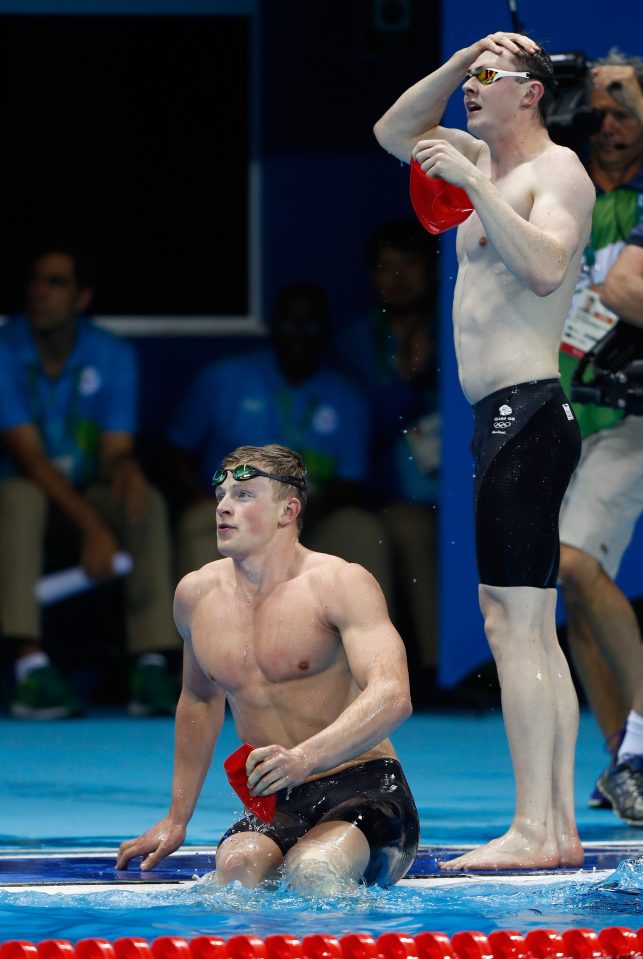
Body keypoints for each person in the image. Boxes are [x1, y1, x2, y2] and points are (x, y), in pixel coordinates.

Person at [374, 31, 595, 869]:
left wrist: (471, 182)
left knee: (515, 625)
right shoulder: (478, 156)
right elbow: (394, 134)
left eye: (488, 78)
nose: (471, 89)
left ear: (532, 92)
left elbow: (544, 267)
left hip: (529, 410)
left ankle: (534, 829)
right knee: (527, 628)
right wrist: (465, 52)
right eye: (470, 78)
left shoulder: (556, 171)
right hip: (501, 417)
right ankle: (556, 828)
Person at [116, 444, 418, 894]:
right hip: (278, 800)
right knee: (236, 871)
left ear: (287, 510)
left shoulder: (339, 583)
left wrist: (305, 758)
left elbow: (393, 695)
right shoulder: (195, 596)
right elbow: (199, 700)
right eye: (221, 494)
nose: (223, 506)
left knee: (313, 870)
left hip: (366, 789)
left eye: (243, 495)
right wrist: (177, 818)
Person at [0, 246, 180, 719]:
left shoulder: (112, 355)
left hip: (83, 496)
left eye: (55, 282)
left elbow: (114, 450)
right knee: (20, 498)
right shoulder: (4, 349)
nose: (39, 291)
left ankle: (150, 663)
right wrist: (92, 529)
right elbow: (31, 460)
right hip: (22, 504)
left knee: (146, 499)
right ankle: (29, 668)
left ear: (82, 298)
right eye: (35, 279)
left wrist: (125, 468)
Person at [167, 282, 394, 605]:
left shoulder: (348, 396)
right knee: (198, 521)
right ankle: (209, 647)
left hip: (309, 519)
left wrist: (289, 519)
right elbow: (176, 450)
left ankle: (367, 648)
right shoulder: (223, 378)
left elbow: (350, 484)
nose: (299, 334)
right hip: (233, 510)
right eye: (289, 323)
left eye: (310, 324)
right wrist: (201, 497)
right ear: (272, 328)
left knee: (362, 528)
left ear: (326, 331)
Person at [557, 54, 643, 826]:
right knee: (574, 593)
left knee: (575, 563)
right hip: (564, 408)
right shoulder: (564, 187)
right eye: (592, 109)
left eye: (621, 106)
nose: (606, 123)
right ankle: (623, 759)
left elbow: (624, 291)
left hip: (630, 414)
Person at [331, 219, 441, 684]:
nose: (398, 278)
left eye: (410, 265)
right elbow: (353, 431)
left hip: (460, 483)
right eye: (386, 268)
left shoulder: (459, 325)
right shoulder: (353, 343)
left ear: (431, 270)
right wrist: (406, 383)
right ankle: (411, 674)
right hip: (389, 493)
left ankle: (456, 671)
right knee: (404, 531)